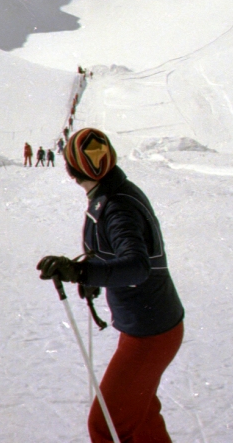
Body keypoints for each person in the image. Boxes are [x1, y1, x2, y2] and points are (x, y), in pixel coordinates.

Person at [37, 128, 184, 443]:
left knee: (107, 426)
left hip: (150, 333)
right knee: (139, 416)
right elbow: (125, 257)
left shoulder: (116, 206)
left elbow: (137, 266)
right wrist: (96, 271)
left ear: (71, 171)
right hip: (152, 326)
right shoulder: (117, 191)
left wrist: (82, 272)